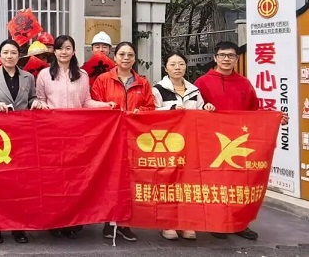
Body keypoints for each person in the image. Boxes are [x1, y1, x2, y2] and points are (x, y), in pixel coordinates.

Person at [193, 41, 288, 241]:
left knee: (241, 183)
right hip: (213, 142)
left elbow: (254, 112)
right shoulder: (202, 82)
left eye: (231, 55)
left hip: (240, 141)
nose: (226, 59)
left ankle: (240, 223)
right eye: (222, 55)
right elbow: (194, 110)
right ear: (215, 58)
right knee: (216, 183)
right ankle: (217, 222)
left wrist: (274, 117)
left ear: (237, 59)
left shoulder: (244, 83)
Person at [34, 35, 113, 238]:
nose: (64, 52)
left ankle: (73, 219)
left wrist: (106, 106)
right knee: (54, 178)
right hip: (52, 134)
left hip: (77, 135)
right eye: (60, 48)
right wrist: (41, 105)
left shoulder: (82, 75)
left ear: (74, 51)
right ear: (54, 52)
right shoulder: (44, 75)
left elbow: (86, 102)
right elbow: (39, 100)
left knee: (75, 177)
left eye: (68, 48)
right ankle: (54, 220)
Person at [0, 39, 45, 245]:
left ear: (18, 55)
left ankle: (18, 226)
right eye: (5, 52)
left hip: (22, 136)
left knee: (20, 183)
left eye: (13, 52)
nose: (9, 56)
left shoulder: (28, 77)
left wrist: (36, 102)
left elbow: (31, 98)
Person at [91, 41, 155, 242]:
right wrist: (108, 109)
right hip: (109, 139)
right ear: (115, 57)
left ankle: (125, 223)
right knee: (109, 179)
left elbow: (150, 107)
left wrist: (139, 112)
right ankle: (109, 221)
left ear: (135, 58)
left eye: (130, 55)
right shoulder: (103, 80)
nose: (126, 58)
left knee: (130, 179)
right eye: (122, 54)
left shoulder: (142, 83)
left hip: (134, 137)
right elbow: (94, 106)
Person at [151, 51, 214, 241]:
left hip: (190, 144)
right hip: (167, 144)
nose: (177, 68)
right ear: (166, 68)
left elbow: (201, 114)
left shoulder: (195, 90)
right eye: (172, 64)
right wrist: (170, 109)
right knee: (167, 182)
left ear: (186, 67)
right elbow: (151, 112)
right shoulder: (158, 89)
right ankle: (167, 223)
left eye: (181, 64)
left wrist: (207, 108)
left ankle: (187, 222)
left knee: (189, 182)